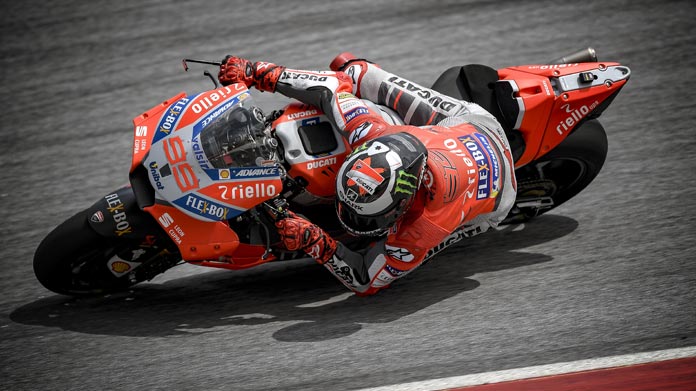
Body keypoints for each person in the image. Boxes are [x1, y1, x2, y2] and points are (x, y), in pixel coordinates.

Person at [218, 53, 517, 295]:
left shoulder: (419, 231)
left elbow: (365, 279)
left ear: (402, 206)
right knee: (358, 72)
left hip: (498, 191)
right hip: (467, 127)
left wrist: (315, 242)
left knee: (428, 246)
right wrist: (259, 72)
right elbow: (332, 86)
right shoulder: (371, 132)